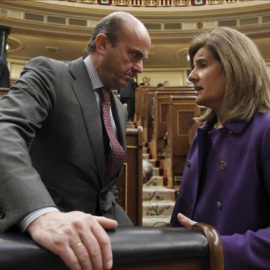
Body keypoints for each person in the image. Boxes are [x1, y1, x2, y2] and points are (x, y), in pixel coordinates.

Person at [0, 11, 151, 270]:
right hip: (48, 237)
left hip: (103, 233)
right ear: (102, 44)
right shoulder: (50, 74)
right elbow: (5, 132)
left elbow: (105, 184)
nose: (140, 68)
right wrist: (40, 213)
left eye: (143, 59)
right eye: (134, 55)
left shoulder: (118, 106)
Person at [170, 27, 270, 269]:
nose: (191, 76)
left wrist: (217, 248)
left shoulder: (265, 130)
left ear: (235, 70)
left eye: (202, 65)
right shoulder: (203, 134)